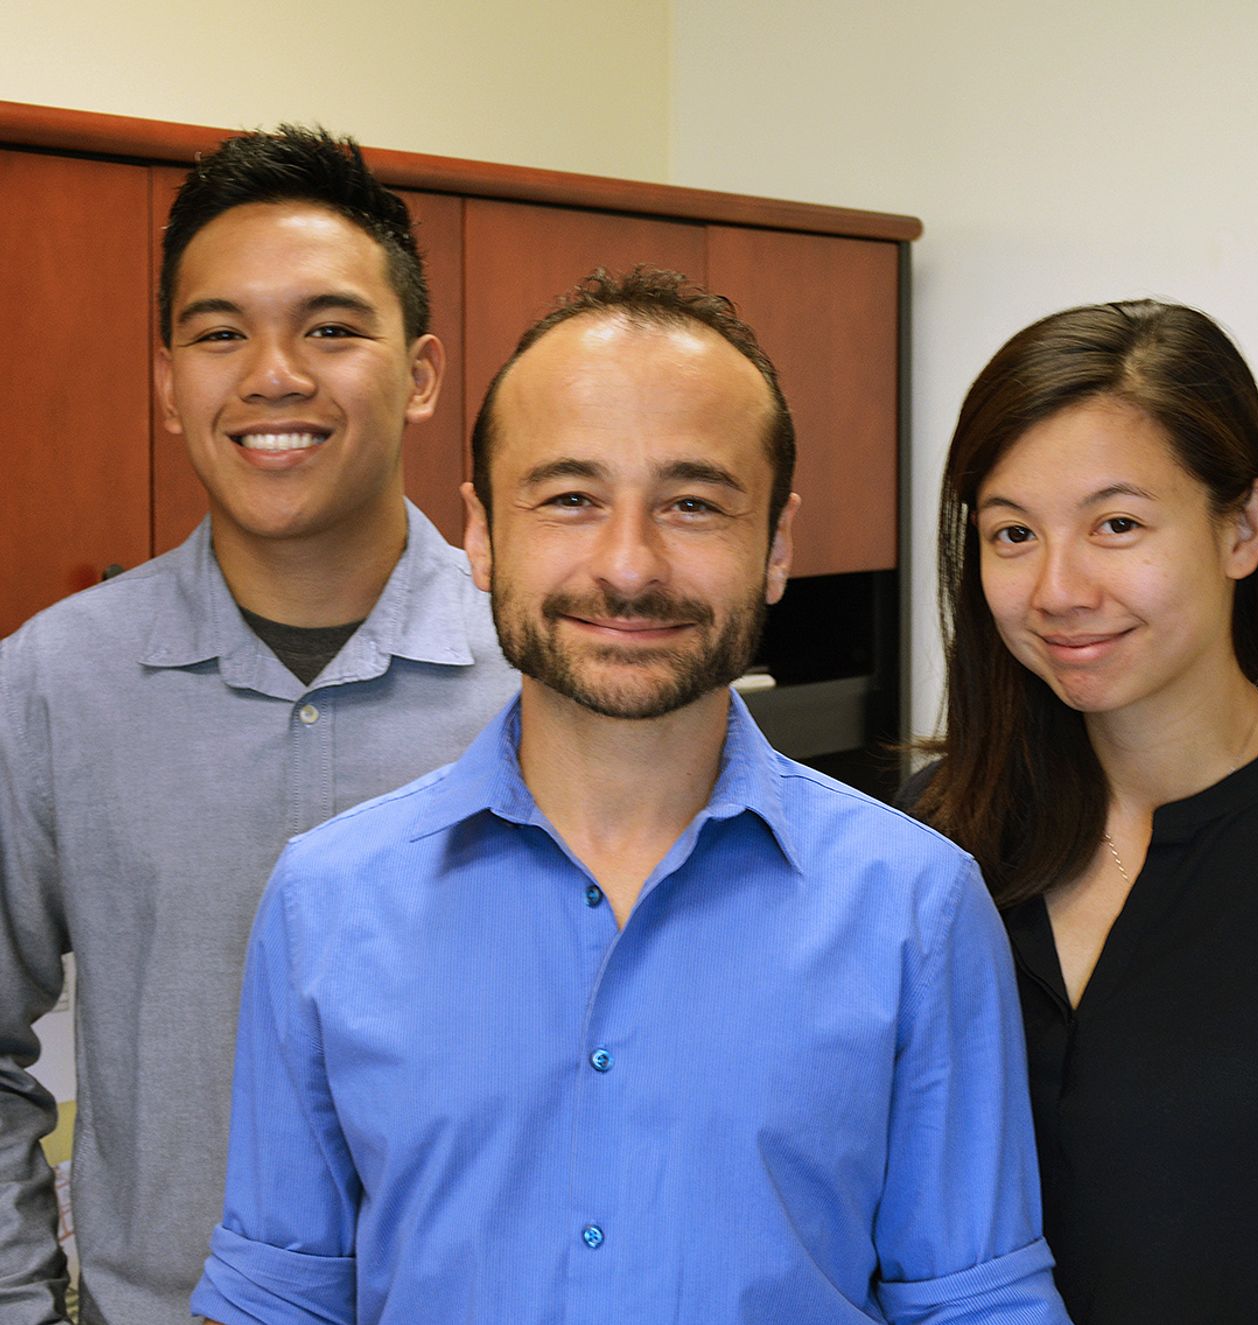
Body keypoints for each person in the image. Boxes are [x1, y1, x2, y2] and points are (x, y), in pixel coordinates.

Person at [191, 267, 1072, 1325]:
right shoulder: (324, 900)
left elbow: (977, 1306)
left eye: (691, 503)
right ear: (478, 533)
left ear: (776, 544)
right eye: (569, 496)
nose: (626, 564)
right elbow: (275, 1302)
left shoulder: (916, 907)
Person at [0, 127, 517, 1325]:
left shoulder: (538, 672)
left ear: (423, 372)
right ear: (167, 378)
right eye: (219, 331)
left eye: (331, 328)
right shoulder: (52, 681)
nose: (272, 373)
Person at [898, 298, 1258, 1324]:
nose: (1056, 587)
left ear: (1242, 527)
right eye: (1010, 533)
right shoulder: (925, 834)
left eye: (1115, 524)